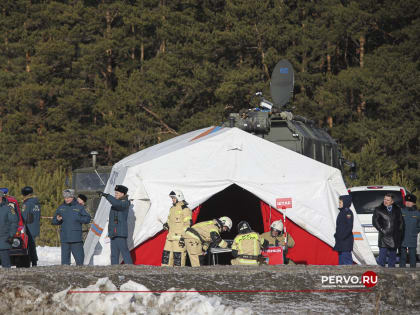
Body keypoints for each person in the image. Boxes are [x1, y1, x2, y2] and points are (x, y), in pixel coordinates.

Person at [51, 189, 91, 265]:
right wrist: (57, 219)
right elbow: (53, 221)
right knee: (65, 264)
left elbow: (87, 218)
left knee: (79, 261)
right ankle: (65, 276)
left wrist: (79, 218)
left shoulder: (79, 207)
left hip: (76, 238)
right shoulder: (61, 208)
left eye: (69, 197)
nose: (67, 199)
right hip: (64, 238)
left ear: (72, 197)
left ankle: (80, 275)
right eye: (65, 197)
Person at [99, 185, 133, 265]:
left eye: (117, 193)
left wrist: (107, 195)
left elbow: (117, 204)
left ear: (123, 194)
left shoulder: (125, 203)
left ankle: (130, 268)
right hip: (113, 232)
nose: (116, 194)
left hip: (120, 232)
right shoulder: (116, 202)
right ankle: (114, 270)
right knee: (114, 254)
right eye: (115, 193)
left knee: (124, 252)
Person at [161, 190, 192, 267]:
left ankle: (178, 276)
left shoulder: (185, 209)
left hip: (179, 238)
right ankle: (164, 275)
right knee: (166, 257)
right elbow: (169, 220)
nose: (172, 199)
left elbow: (188, 224)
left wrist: (184, 237)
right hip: (170, 237)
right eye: (172, 198)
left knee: (178, 259)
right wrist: (166, 225)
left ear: (179, 197)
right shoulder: (172, 209)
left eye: (174, 198)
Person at [372, 193, 404, 267]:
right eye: (385, 199)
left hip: (394, 237)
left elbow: (401, 222)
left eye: (388, 200)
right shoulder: (378, 209)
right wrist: (383, 230)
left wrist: (399, 232)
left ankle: (391, 274)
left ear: (392, 201)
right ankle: (381, 274)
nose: (385, 201)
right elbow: (375, 222)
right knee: (382, 258)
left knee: (392, 258)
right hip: (384, 237)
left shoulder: (397, 209)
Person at [21, 186, 41, 267]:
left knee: (29, 245)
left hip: (29, 227)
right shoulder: (36, 203)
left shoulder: (27, 204)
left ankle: (31, 260)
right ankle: (34, 261)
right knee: (32, 245)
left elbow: (23, 216)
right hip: (35, 226)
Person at [400, 194, 420, 268]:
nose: (408, 203)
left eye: (410, 201)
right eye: (407, 201)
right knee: (402, 257)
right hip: (402, 237)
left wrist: (414, 232)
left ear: (414, 203)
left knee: (412, 257)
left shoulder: (417, 213)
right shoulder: (401, 211)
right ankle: (401, 273)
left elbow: (419, 225)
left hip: (412, 238)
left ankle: (413, 273)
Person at [333, 195, 354, 265]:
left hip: (346, 241)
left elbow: (349, 227)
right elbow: (340, 226)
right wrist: (336, 235)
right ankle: (342, 275)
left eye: (341, 202)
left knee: (346, 261)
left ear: (345, 202)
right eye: (339, 202)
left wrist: (342, 237)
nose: (339, 203)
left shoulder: (348, 212)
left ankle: (350, 275)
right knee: (341, 262)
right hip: (340, 241)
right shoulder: (341, 212)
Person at [0, 189, 18, 268]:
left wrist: (11, 235)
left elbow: (14, 222)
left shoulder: (8, 208)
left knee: (6, 266)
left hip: (4, 240)